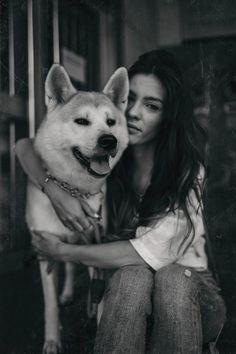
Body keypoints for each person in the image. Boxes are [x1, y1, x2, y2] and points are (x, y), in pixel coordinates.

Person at [15, 50, 226, 354]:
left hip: (193, 294)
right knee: (130, 279)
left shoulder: (188, 171)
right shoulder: (106, 163)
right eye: (132, 100)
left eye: (151, 105)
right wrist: (56, 192)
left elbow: (147, 253)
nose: (133, 112)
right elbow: (24, 147)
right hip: (133, 297)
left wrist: (64, 251)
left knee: (171, 280)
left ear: (168, 116)